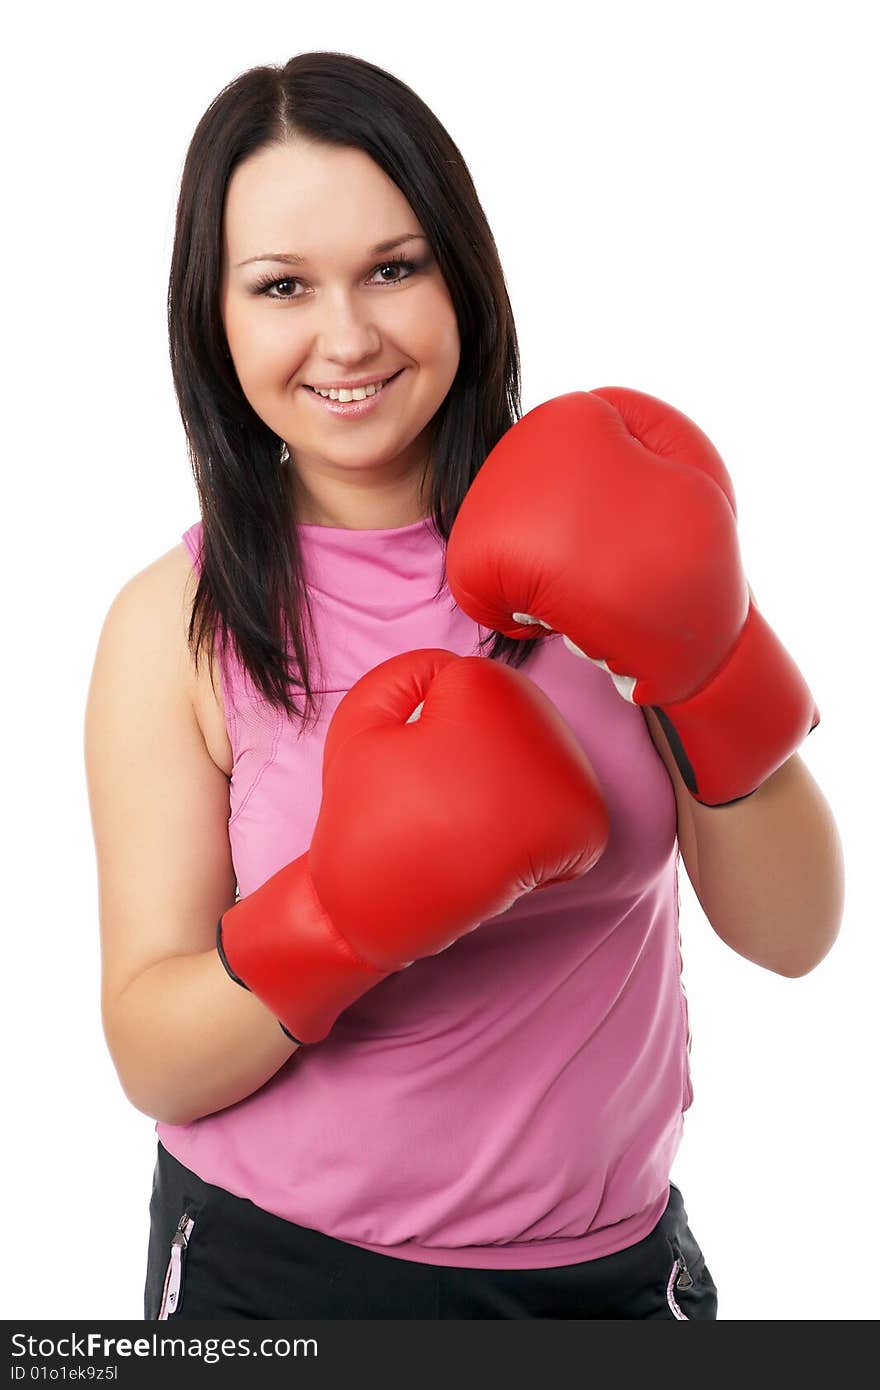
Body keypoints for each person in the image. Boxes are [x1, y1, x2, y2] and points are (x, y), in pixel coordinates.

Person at [84, 51, 841, 1322]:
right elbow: (151, 1049)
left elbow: (793, 933)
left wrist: (712, 664)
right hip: (284, 1279)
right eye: (282, 287)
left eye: (394, 267)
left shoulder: (602, 534)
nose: (348, 335)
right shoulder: (179, 623)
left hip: (618, 1271)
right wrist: (341, 914)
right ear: (214, 320)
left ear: (462, 271)